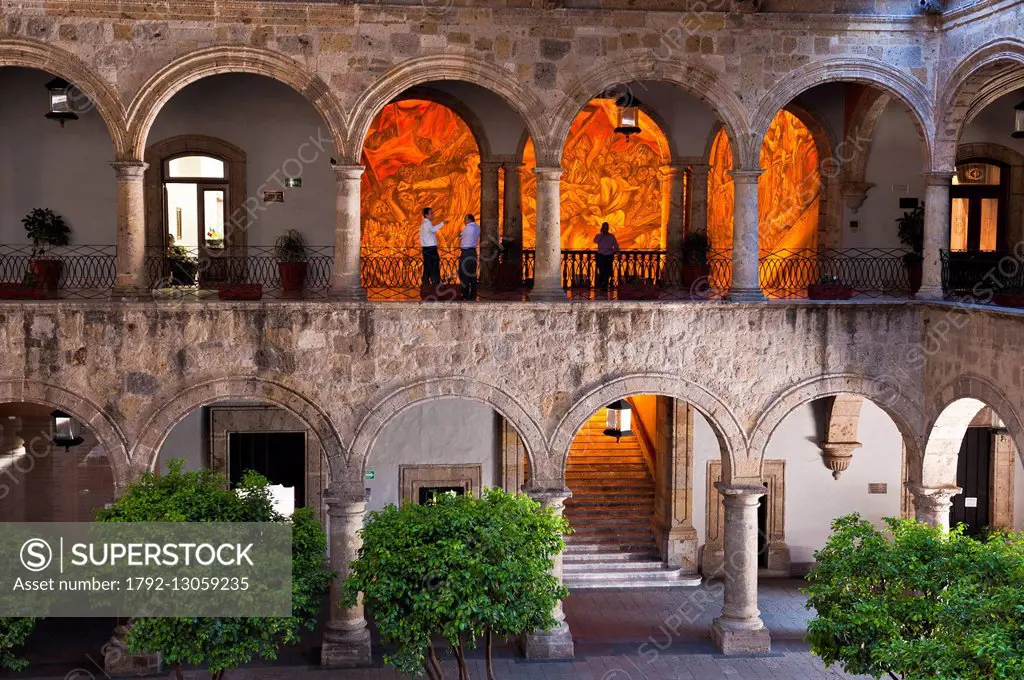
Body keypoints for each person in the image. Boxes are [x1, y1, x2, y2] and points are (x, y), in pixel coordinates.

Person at [458, 213, 481, 301]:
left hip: (466, 253)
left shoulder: (468, 228)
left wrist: (459, 234)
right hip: (473, 252)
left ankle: (465, 294)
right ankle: (473, 294)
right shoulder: (478, 227)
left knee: (463, 273)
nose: (464, 221)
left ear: (469, 220)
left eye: (465, 219)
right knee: (472, 273)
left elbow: (460, 237)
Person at [420, 207, 444, 286]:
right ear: (426, 215)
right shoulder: (427, 223)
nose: (432, 215)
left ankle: (426, 282)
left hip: (426, 248)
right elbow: (433, 229)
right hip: (430, 248)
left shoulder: (424, 223)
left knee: (428, 265)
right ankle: (435, 282)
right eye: (431, 213)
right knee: (434, 265)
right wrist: (442, 223)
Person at [594, 221, 620, 290]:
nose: (605, 229)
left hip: (608, 255)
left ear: (608, 228)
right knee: (602, 271)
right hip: (601, 255)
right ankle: (602, 285)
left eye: (606, 227)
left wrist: (617, 252)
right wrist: (601, 234)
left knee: (607, 271)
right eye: (604, 227)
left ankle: (604, 286)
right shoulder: (599, 236)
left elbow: (616, 245)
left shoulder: (611, 236)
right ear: (602, 228)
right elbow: (595, 241)